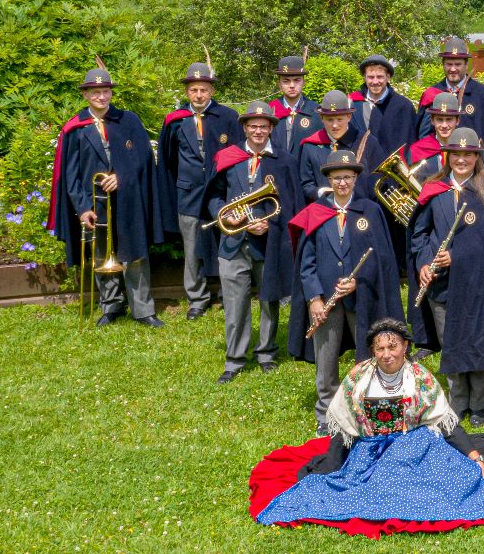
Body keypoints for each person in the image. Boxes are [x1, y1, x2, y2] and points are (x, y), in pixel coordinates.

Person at [254, 318, 484, 529]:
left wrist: (475, 457)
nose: (387, 355)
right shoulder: (359, 378)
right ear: (373, 351)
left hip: (413, 448)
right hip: (369, 449)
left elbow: (444, 422)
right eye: (380, 349)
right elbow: (345, 426)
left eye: (393, 347)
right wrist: (332, 465)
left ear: (406, 346)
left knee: (456, 482)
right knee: (354, 488)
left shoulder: (420, 378)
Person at [411, 128, 484, 427]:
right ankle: (457, 401)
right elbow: (420, 234)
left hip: (478, 283)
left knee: (478, 343)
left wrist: (458, 256)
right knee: (451, 343)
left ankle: (478, 405)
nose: (462, 159)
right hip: (442, 284)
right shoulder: (433, 188)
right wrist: (424, 262)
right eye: (456, 154)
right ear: (447, 156)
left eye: (468, 154)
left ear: (477, 157)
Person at [291, 149, 405, 435]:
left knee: (368, 356)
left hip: (361, 297)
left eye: (347, 177)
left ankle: (365, 408)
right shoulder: (316, 213)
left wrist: (359, 280)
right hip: (326, 303)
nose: (342, 183)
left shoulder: (370, 210)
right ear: (329, 180)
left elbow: (381, 257)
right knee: (326, 360)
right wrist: (314, 298)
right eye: (337, 178)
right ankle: (326, 414)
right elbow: (307, 262)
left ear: (355, 178)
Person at [47, 66, 164, 328]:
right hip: (96, 203)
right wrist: (82, 208)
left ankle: (143, 309)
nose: (101, 97)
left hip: (129, 198)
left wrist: (121, 176)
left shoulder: (129, 120)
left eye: (106, 91)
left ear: (111, 93)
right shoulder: (75, 128)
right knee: (101, 254)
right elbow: (71, 175)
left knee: (135, 254)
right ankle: (110, 306)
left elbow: (144, 158)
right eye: (96, 92)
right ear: (86, 95)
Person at [205, 100, 300, 382]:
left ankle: (267, 352)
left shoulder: (284, 160)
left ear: (271, 128)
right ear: (245, 127)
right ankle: (234, 359)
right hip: (233, 242)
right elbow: (213, 197)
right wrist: (226, 216)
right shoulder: (227, 157)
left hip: (267, 242)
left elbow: (292, 204)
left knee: (269, 299)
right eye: (252, 126)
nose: (258, 131)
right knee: (235, 304)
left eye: (263, 126)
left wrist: (269, 224)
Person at [156, 60, 242, 320]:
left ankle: (227, 293)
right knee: (192, 248)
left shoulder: (227, 117)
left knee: (226, 243)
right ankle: (197, 298)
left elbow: (238, 154)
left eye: (204, 89)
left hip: (221, 193)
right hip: (189, 194)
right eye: (194, 90)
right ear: (187, 92)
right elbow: (168, 160)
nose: (199, 94)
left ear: (212, 91)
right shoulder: (175, 121)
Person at [416, 36, 484, 184]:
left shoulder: (483, 95)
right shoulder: (431, 95)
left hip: (475, 174)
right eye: (449, 64)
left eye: (458, 64)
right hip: (439, 175)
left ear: (466, 65)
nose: (453, 69)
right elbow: (423, 139)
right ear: (443, 64)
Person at [297, 91, 372, 204]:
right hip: (324, 212)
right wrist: (320, 192)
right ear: (322, 118)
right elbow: (305, 184)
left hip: (359, 211)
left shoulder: (366, 142)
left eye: (339, 119)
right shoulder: (310, 146)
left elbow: (375, 181)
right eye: (330, 120)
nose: (335, 125)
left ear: (349, 116)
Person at [352, 54, 416, 167]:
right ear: (364, 78)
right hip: (359, 172)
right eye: (371, 77)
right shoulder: (353, 104)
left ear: (388, 77)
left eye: (380, 77)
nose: (375, 81)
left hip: (392, 175)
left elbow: (409, 146)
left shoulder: (403, 106)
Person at [405, 91, 463, 183]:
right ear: (432, 121)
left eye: (449, 119)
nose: (444, 125)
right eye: (439, 119)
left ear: (457, 121)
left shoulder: (470, 149)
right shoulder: (417, 150)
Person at [268, 55, 322, 156]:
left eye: (297, 80)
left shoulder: (316, 111)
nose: (292, 85)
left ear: (304, 82)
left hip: (305, 170)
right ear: (279, 84)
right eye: (286, 81)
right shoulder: (270, 110)